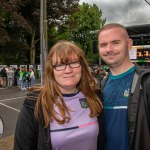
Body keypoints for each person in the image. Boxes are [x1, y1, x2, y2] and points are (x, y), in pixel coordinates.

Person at [14, 40, 103, 150]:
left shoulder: (94, 97)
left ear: (82, 67)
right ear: (51, 70)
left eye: (74, 62)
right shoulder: (35, 102)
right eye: (60, 65)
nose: (68, 70)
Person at [98, 23, 150, 150]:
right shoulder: (100, 87)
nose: (109, 49)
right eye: (103, 45)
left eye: (115, 43)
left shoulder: (146, 82)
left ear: (129, 44)